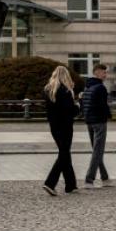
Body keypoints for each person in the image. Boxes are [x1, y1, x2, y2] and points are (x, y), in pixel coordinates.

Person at [42, 66, 79, 196]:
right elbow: (69, 111)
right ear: (66, 76)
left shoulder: (48, 90)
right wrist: (77, 107)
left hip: (54, 126)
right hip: (65, 126)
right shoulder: (65, 91)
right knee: (64, 154)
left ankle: (71, 184)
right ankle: (50, 183)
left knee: (65, 153)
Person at [80, 63, 112, 188]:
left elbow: (84, 104)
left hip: (89, 121)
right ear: (97, 72)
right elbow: (103, 106)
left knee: (96, 150)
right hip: (99, 122)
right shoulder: (100, 88)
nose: (106, 74)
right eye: (104, 72)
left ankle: (105, 178)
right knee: (98, 151)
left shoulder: (87, 87)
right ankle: (89, 179)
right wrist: (108, 115)